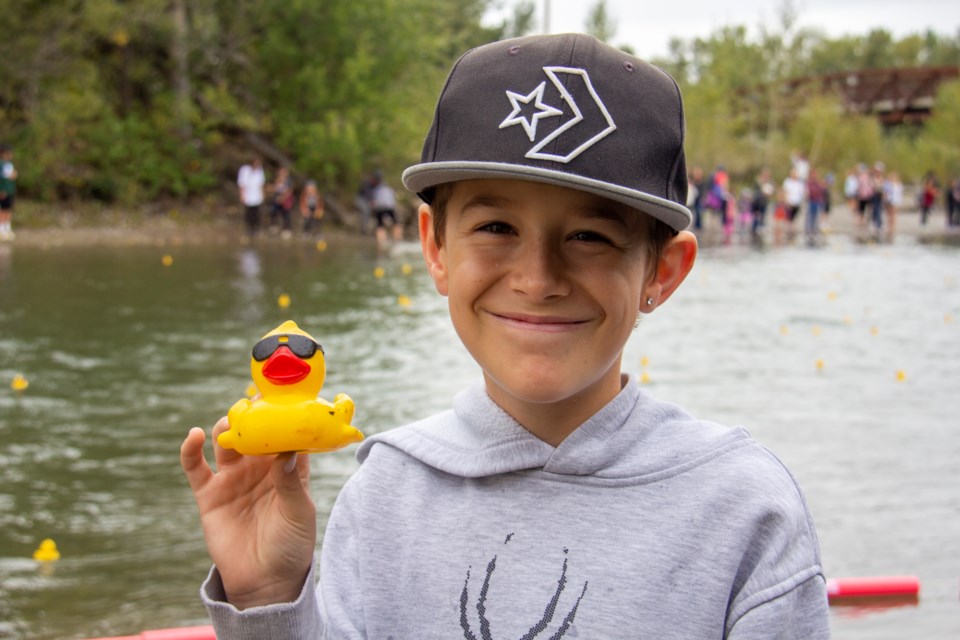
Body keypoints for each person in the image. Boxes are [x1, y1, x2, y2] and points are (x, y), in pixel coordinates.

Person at [181, 34, 829, 638]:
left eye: (590, 237)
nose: (538, 278)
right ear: (435, 246)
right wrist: (267, 596)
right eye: (496, 227)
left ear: (662, 270)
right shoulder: (384, 494)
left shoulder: (745, 510)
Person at [369, 170, 402, 247]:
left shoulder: (375, 189)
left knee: (379, 224)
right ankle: (398, 240)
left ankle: (382, 242)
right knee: (396, 222)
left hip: (380, 208)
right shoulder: (386, 187)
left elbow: (373, 201)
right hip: (389, 207)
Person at [237, 156, 265, 238]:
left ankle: (256, 229)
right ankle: (249, 229)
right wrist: (242, 195)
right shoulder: (244, 170)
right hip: (248, 195)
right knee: (248, 213)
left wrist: (262, 194)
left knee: (257, 213)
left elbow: (261, 183)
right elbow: (242, 184)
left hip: (257, 195)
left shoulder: (260, 170)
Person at [269, 166, 295, 237]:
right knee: (273, 212)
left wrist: (282, 198)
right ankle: (274, 226)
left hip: (285, 200)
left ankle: (287, 229)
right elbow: (274, 188)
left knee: (286, 215)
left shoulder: (289, 181)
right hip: (276, 199)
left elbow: (290, 191)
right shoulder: (276, 179)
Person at [0, 144, 18, 241]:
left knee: (8, 209)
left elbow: (13, 176)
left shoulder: (9, 164)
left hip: (10, 191)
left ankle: (7, 229)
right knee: (2, 210)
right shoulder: (1, 164)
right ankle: (1, 230)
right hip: (3, 191)